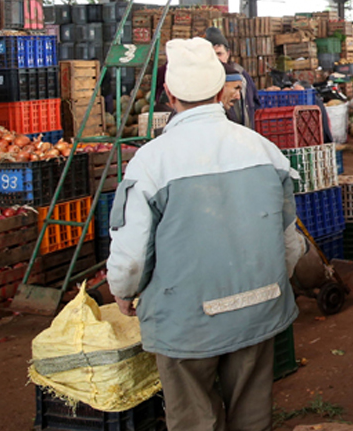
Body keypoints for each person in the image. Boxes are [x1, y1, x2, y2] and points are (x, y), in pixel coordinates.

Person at [107, 37, 306, 431]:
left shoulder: (151, 163)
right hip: (258, 306)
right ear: (221, 91)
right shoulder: (265, 151)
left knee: (194, 418)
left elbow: (131, 258)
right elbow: (290, 243)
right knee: (252, 414)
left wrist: (124, 292)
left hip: (187, 321)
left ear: (168, 95)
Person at [205, 27, 261, 130]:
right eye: (211, 54)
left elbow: (254, 102)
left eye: (219, 54)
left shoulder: (241, 74)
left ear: (228, 54)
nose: (216, 59)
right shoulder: (202, 78)